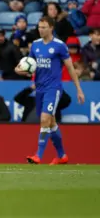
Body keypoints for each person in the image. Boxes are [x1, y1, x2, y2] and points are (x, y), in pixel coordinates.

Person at [15, 17, 85, 165]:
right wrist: (19, 70)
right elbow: (28, 64)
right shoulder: (35, 45)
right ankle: (62, 155)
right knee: (51, 123)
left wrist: (78, 89)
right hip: (39, 89)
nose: (41, 30)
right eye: (39, 27)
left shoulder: (59, 46)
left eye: (44, 27)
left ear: (51, 28)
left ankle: (38, 155)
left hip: (53, 88)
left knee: (45, 119)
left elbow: (70, 68)